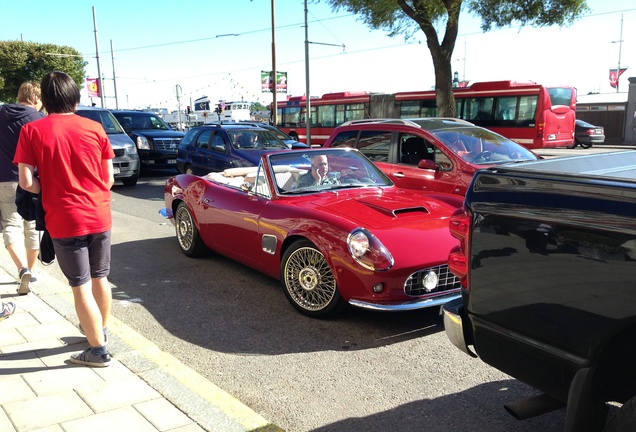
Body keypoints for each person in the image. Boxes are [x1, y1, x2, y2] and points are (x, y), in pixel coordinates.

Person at [14, 71, 115, 368]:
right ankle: (100, 332)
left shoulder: (32, 131)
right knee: (100, 277)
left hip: (64, 217)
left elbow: (25, 181)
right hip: (99, 214)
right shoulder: (95, 127)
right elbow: (108, 178)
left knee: (79, 283)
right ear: (76, 97)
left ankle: (98, 351)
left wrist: (47, 187)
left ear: (44, 99)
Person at [0, 81, 44, 295]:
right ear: (36, 98)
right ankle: (32, 270)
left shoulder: (0, 113)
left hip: (4, 180)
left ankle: (21, 268)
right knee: (32, 224)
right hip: (31, 179)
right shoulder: (38, 119)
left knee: (10, 224)